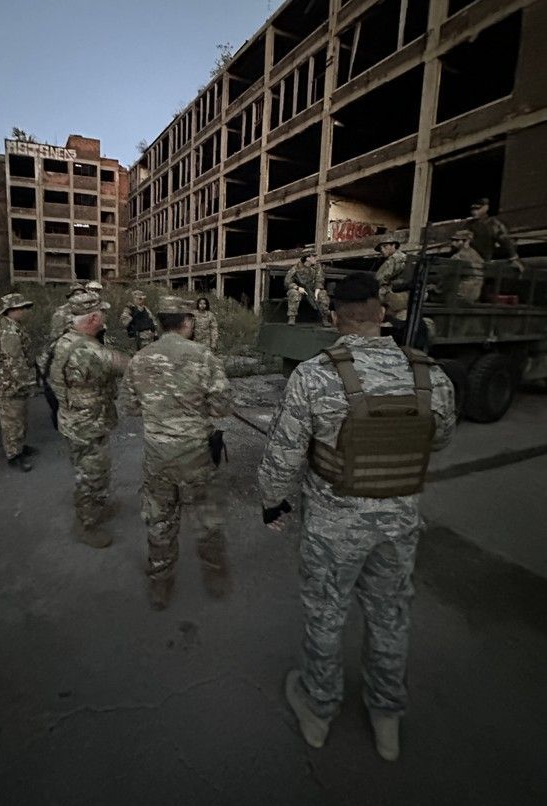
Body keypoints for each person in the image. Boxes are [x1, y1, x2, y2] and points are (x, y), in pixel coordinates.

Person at [258, 273, 455, 762]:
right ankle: (386, 717)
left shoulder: (314, 375)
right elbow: (439, 438)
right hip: (399, 522)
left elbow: (283, 459)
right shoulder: (430, 374)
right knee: (390, 615)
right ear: (382, 313)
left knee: (326, 614)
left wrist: (273, 502)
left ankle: (319, 711)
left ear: (332, 318)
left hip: (333, 526)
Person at [120, 296, 232, 610]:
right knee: (207, 517)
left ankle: (160, 582)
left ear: (159, 323)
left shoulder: (140, 358)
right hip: (196, 456)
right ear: (187, 321)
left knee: (160, 521)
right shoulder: (204, 356)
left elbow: (130, 408)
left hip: (158, 457)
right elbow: (222, 406)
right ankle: (215, 575)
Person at [49, 291, 127, 548]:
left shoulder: (66, 340)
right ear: (93, 317)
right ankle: (87, 524)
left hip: (75, 419)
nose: (105, 317)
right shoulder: (87, 351)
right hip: (87, 424)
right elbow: (128, 365)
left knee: (87, 468)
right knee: (92, 474)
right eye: (102, 313)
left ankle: (96, 506)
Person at [0, 292, 36, 472]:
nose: (25, 311)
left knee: (19, 419)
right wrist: (27, 384)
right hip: (10, 384)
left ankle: (19, 447)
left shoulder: (14, 326)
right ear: (11, 310)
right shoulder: (9, 331)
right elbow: (14, 363)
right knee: (12, 421)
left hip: (13, 383)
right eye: (22, 308)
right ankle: (14, 455)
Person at [466, 197, 523, 272]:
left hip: (481, 262)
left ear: (486, 208)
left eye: (477, 209)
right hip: (465, 260)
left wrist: (514, 258)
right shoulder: (469, 225)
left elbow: (505, 240)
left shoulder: (493, 224)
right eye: (472, 210)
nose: (474, 212)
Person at [284, 248, 331, 326]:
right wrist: (297, 288)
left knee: (323, 294)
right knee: (293, 293)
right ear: (308, 258)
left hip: (312, 290)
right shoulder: (296, 268)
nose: (316, 258)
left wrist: (317, 291)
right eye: (314, 256)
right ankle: (292, 318)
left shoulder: (317, 267)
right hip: (300, 290)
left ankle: (325, 318)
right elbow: (287, 281)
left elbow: (319, 279)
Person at [449, 229, 485, 303]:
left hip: (460, 295)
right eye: (453, 240)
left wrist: (435, 288)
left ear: (466, 241)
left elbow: (447, 277)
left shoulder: (457, 257)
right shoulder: (477, 255)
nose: (453, 243)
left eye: (456, 240)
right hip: (475, 295)